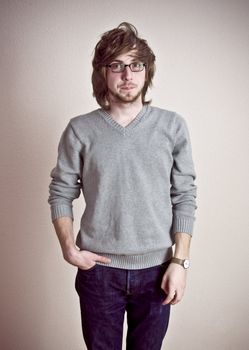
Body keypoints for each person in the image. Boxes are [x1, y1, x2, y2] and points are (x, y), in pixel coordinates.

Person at [48, 22, 197, 350]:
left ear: (147, 71)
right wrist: (69, 249)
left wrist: (180, 262)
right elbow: (61, 191)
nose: (127, 74)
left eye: (136, 64)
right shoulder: (80, 130)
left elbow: (184, 195)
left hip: (158, 270)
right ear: (103, 73)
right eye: (116, 65)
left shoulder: (172, 126)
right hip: (99, 274)